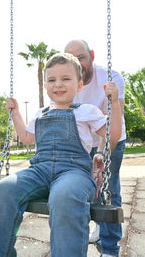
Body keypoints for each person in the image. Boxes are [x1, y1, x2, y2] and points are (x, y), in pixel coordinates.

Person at [0, 53, 122, 257]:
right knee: (3, 189)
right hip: (39, 170)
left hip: (74, 172)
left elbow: (113, 135)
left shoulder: (87, 110)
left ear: (79, 85)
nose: (58, 84)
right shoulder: (41, 113)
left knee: (64, 196)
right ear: (45, 85)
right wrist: (15, 113)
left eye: (66, 79)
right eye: (51, 80)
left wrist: (115, 103)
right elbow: (26, 137)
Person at [65, 39, 126, 257]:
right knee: (89, 191)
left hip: (112, 140)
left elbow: (110, 125)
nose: (77, 63)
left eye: (80, 57)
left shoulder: (112, 79)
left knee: (109, 190)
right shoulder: (70, 82)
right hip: (83, 143)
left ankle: (110, 248)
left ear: (91, 55)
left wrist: (100, 152)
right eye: (72, 59)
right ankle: (100, 227)